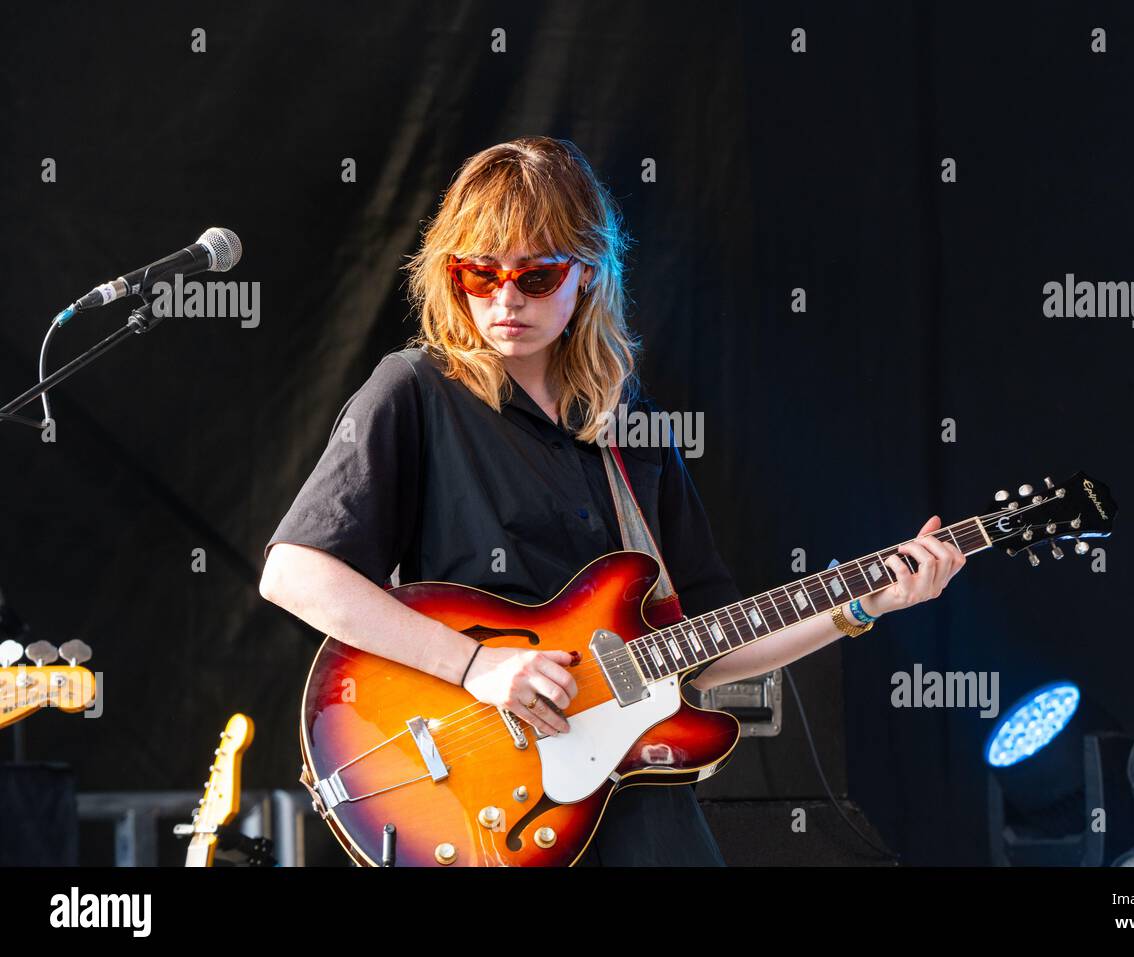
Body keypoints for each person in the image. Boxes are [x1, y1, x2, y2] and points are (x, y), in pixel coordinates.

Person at [258, 135, 966, 866]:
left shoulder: (631, 432)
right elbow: (294, 572)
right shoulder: (414, 389)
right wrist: (479, 667)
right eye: (479, 272)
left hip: (632, 789)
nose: (504, 299)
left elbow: (711, 645)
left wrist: (861, 606)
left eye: (536, 277)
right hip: (482, 787)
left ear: (588, 275)